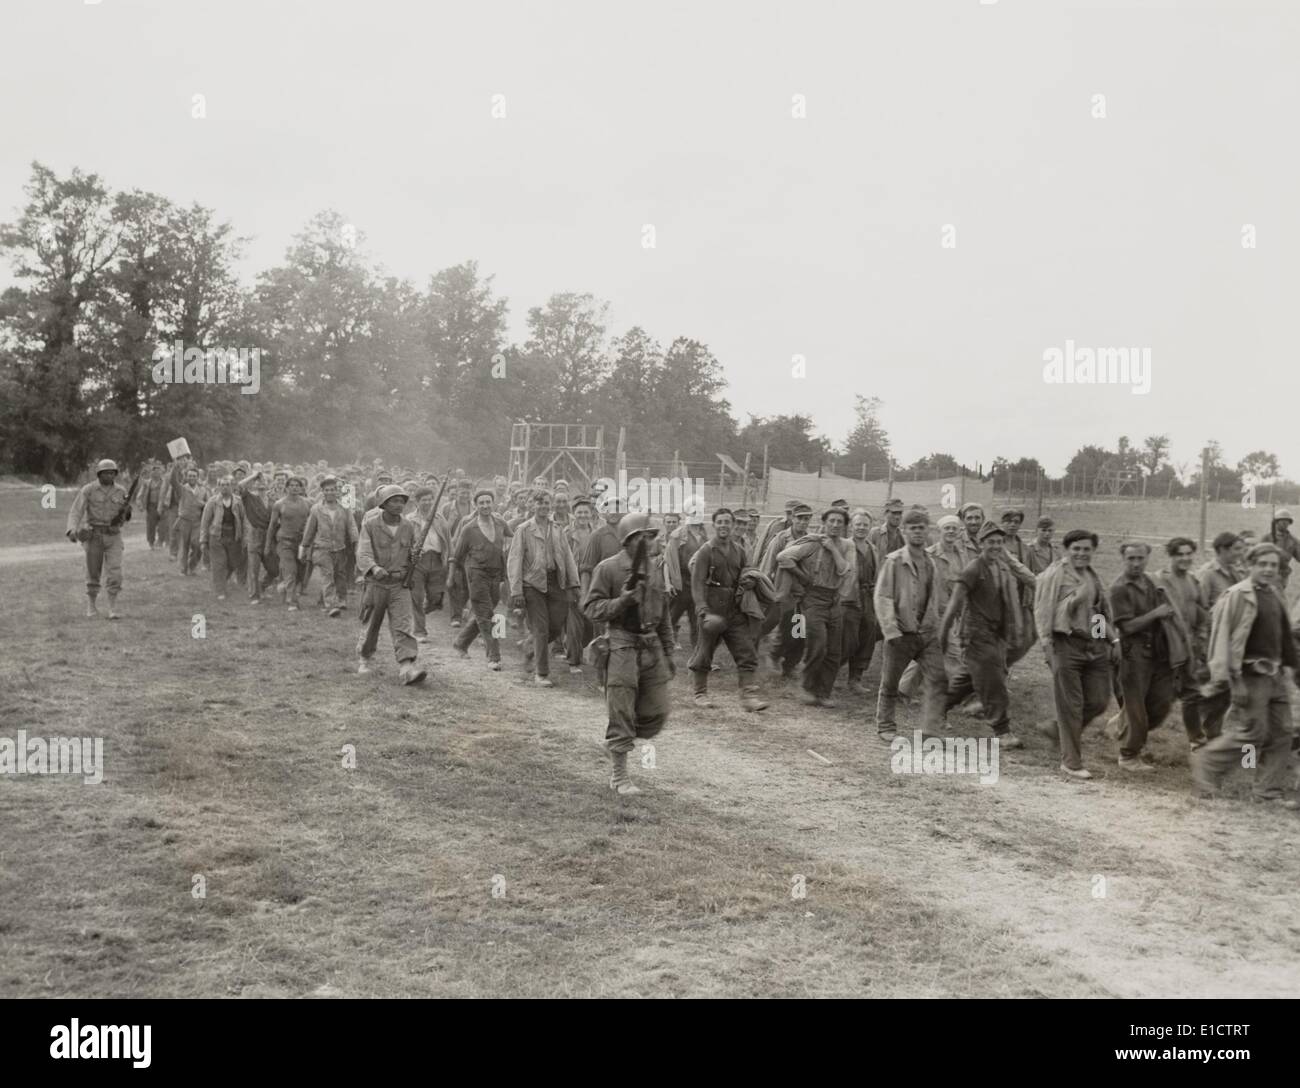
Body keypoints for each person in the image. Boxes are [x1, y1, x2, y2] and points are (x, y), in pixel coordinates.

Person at [1192, 543, 1298, 808]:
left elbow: (1284, 636)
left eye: (1273, 565)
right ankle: (1206, 762)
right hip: (1249, 676)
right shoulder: (1238, 595)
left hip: (1275, 676)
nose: (1268, 569)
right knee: (1252, 732)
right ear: (1250, 565)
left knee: (1283, 731)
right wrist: (1232, 681)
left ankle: (1266, 791)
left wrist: (1292, 668)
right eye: (1262, 564)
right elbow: (1223, 640)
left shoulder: (1274, 594)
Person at [581, 512, 676, 796]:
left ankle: (616, 741)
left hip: (651, 644)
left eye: (652, 536)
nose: (650, 541)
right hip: (621, 643)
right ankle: (619, 775)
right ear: (629, 541)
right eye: (643, 536)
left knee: (657, 712)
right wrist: (623, 600)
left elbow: (664, 614)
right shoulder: (608, 569)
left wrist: (668, 651)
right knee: (621, 707)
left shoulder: (656, 568)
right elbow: (591, 608)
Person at [937, 521, 1033, 748]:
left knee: (966, 681)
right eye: (991, 542)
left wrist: (1013, 631)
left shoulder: (1000, 567)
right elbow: (954, 605)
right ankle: (1002, 732)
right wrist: (942, 638)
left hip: (995, 635)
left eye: (999, 542)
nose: (996, 546)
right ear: (981, 544)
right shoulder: (973, 569)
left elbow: (1007, 602)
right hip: (975, 635)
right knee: (994, 682)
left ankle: (936, 708)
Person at [1034, 529, 1120, 780]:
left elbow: (1097, 613)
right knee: (1071, 706)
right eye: (1076, 549)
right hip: (1064, 644)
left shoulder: (1092, 577)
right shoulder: (1055, 575)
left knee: (1099, 700)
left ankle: (1057, 730)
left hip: (1092, 645)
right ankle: (1071, 761)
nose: (1082, 554)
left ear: (1093, 551)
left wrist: (1111, 639)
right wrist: (1048, 647)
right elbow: (1043, 612)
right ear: (1066, 550)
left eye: (1086, 549)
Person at [873, 509, 947, 741]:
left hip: (927, 634)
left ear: (928, 530)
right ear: (904, 531)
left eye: (922, 527)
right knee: (890, 683)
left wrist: (937, 624)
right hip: (901, 633)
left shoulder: (931, 562)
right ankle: (886, 727)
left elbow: (936, 597)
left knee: (937, 679)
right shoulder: (894, 561)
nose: (917, 532)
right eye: (912, 528)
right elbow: (883, 596)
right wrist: (890, 629)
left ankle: (929, 731)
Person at [688, 508, 768, 711]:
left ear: (732, 526)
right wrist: (701, 608)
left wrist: (750, 580)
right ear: (714, 525)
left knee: (746, 650)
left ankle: (748, 696)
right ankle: (700, 693)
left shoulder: (739, 550)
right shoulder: (707, 550)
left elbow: (747, 570)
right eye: (720, 522)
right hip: (711, 606)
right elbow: (697, 582)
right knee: (704, 652)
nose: (723, 526)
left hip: (734, 607)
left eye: (727, 522)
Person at [777, 507, 856, 707]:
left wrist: (832, 548)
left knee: (834, 651)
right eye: (832, 521)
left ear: (845, 525)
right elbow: (783, 557)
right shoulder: (813, 543)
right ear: (824, 522)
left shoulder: (847, 546)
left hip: (835, 600)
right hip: (813, 599)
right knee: (818, 644)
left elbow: (845, 570)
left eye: (840, 522)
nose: (835, 525)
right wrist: (804, 577)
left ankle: (824, 692)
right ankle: (806, 687)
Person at [355, 484, 428, 685]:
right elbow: (363, 552)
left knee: (403, 625)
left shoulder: (408, 526)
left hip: (400, 584)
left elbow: (413, 551)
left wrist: (416, 555)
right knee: (371, 625)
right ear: (384, 504)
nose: (399, 505)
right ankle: (365, 659)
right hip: (376, 584)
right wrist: (374, 567)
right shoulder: (370, 525)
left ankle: (406, 667)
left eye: (402, 501)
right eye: (394, 501)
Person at [508, 490, 581, 686]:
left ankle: (530, 645)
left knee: (556, 626)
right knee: (540, 627)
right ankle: (541, 674)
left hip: (556, 582)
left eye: (546, 503)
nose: (543, 507)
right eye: (539, 503)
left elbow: (567, 557)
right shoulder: (524, 529)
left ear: (551, 505)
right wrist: (516, 591)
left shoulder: (557, 529)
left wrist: (574, 583)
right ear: (532, 505)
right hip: (532, 584)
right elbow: (515, 560)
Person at [1152, 537, 1211, 749]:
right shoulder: (1159, 581)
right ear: (1171, 556)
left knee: (1192, 692)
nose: (1185, 558)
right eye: (1180, 554)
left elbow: (1203, 612)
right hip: (1166, 649)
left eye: (1188, 554)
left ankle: (1196, 739)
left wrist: (1201, 640)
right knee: (1160, 699)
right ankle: (1125, 728)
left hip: (1189, 648)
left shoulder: (1194, 581)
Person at [450, 489, 512, 670]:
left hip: (496, 576)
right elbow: (457, 555)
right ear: (475, 506)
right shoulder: (469, 528)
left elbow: (513, 538)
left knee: (483, 612)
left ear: (493, 504)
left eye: (488, 502)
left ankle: (461, 643)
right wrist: (452, 577)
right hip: (476, 575)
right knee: (487, 616)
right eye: (481, 503)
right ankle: (494, 657)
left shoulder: (500, 523)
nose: (485, 506)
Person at [65, 458, 132, 619]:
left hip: (114, 536)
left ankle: (112, 608)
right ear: (99, 474)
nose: (109, 475)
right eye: (106, 473)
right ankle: (91, 606)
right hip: (94, 535)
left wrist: (127, 511)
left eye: (112, 473)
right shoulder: (88, 490)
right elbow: (76, 511)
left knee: (115, 572)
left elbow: (126, 516)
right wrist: (72, 529)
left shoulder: (121, 491)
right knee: (93, 573)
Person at [301, 475, 359, 618]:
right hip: (322, 548)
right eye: (327, 490)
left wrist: (356, 543)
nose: (330, 492)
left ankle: (342, 599)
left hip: (340, 547)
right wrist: (304, 547)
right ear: (323, 492)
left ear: (337, 491)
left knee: (340, 575)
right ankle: (331, 605)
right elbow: (310, 529)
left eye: (333, 490)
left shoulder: (345, 507)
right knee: (328, 575)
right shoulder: (316, 509)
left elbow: (351, 526)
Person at [841, 509, 879, 697]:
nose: (862, 528)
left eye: (865, 524)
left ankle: (855, 678)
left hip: (868, 597)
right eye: (858, 524)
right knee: (848, 639)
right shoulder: (845, 546)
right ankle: (827, 673)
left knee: (867, 635)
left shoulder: (873, 548)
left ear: (870, 527)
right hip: (848, 598)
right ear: (851, 526)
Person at [406, 487, 450, 644]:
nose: (428, 502)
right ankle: (419, 631)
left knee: (436, 598)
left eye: (430, 499)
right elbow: (405, 542)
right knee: (417, 597)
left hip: (437, 560)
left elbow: (447, 539)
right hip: (418, 562)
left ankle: (422, 612)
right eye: (424, 500)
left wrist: (448, 558)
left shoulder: (439, 518)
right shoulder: (410, 520)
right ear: (416, 502)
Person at [265, 475, 311, 611]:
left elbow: (312, 523)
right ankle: (292, 601)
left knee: (301, 572)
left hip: (302, 543)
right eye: (291, 485)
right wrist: (268, 545)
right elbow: (272, 526)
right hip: (285, 542)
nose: (295, 488)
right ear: (286, 488)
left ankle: (284, 587)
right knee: (290, 570)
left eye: (297, 485)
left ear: (302, 488)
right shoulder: (279, 504)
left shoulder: (308, 503)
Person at [199, 476, 247, 601]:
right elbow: (205, 522)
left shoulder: (238, 502)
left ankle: (221, 582)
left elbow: (244, 521)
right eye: (222, 485)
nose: (225, 487)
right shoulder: (212, 502)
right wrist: (203, 540)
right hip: (217, 536)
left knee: (232, 563)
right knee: (219, 564)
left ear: (232, 487)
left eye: (228, 485)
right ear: (218, 487)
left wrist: (245, 538)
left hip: (234, 536)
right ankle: (220, 590)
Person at [174, 466, 209, 576]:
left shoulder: (203, 490)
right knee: (184, 546)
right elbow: (172, 481)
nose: (192, 478)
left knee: (198, 545)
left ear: (198, 477)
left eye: (194, 476)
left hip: (197, 522)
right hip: (184, 521)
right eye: (190, 476)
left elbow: (209, 506)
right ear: (186, 477)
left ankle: (192, 566)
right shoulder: (182, 489)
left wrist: (202, 503)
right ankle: (183, 570)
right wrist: (176, 467)